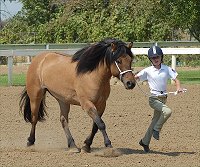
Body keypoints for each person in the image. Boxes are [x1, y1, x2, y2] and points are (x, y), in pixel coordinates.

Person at [135, 45, 184, 153]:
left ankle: (144, 141)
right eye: (153, 58)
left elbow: (176, 80)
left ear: (161, 57)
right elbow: (136, 77)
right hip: (153, 99)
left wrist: (178, 88)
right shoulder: (147, 71)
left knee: (154, 121)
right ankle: (157, 129)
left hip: (163, 98)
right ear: (150, 59)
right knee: (167, 111)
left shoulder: (166, 69)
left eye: (157, 57)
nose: (156, 59)